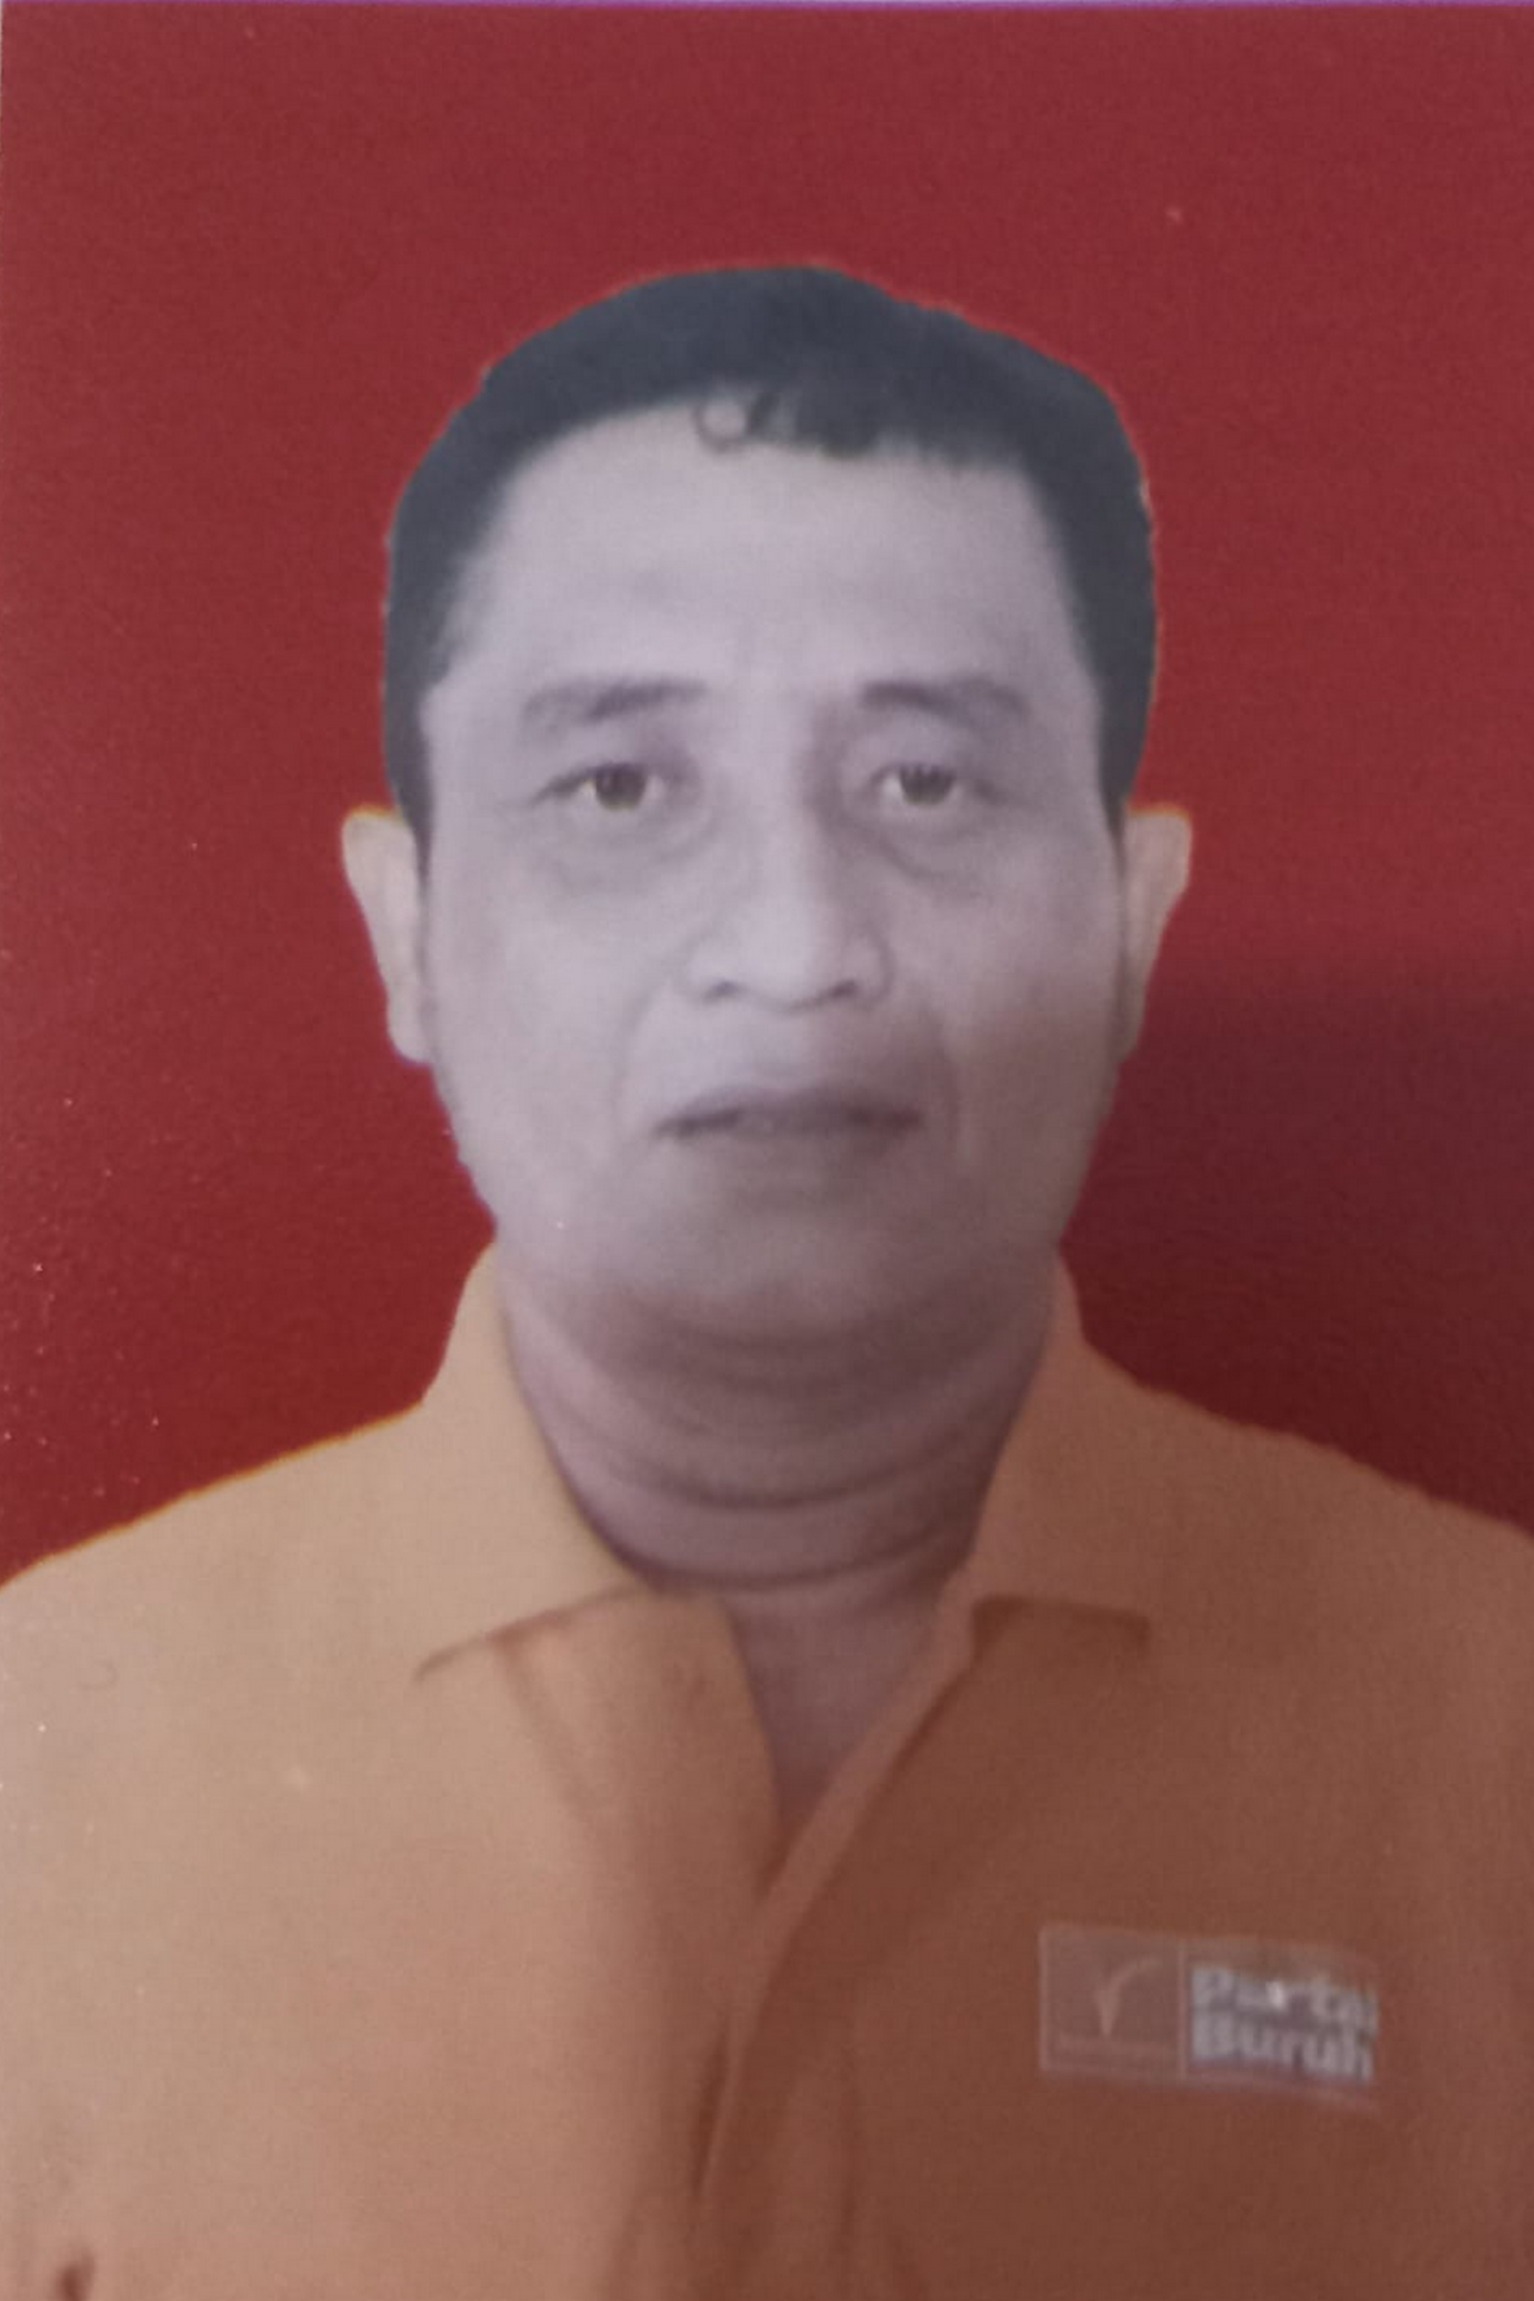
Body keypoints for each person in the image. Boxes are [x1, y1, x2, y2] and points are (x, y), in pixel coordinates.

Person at [2, 266, 1531, 2300]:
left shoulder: (1490, 1726)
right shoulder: (47, 1758)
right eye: (619, 787)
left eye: (925, 782)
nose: (796, 947)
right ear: (406, 932)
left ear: (1130, 922)